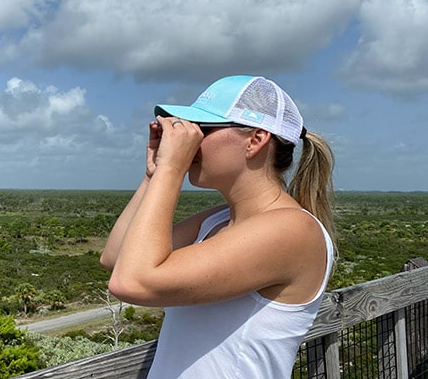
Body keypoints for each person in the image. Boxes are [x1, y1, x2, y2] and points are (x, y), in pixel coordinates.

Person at [100, 75, 336, 378]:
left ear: (255, 140)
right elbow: (115, 258)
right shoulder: (217, 220)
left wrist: (171, 170)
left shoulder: (292, 230)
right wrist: (154, 175)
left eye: (204, 129)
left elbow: (131, 283)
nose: (192, 139)